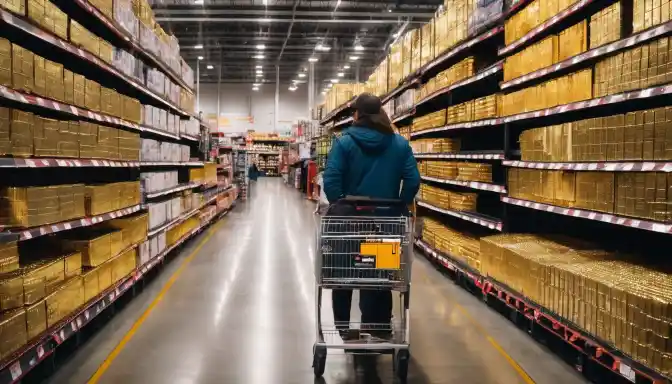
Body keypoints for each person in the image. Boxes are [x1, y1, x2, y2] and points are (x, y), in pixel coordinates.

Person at [323, 93, 420, 338]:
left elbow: (331, 183)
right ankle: (376, 326)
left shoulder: (344, 143)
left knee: (343, 271)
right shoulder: (399, 144)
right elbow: (412, 181)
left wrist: (343, 204)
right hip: (385, 224)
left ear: (358, 114)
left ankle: (343, 328)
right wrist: (399, 203)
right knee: (379, 273)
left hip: (347, 224)